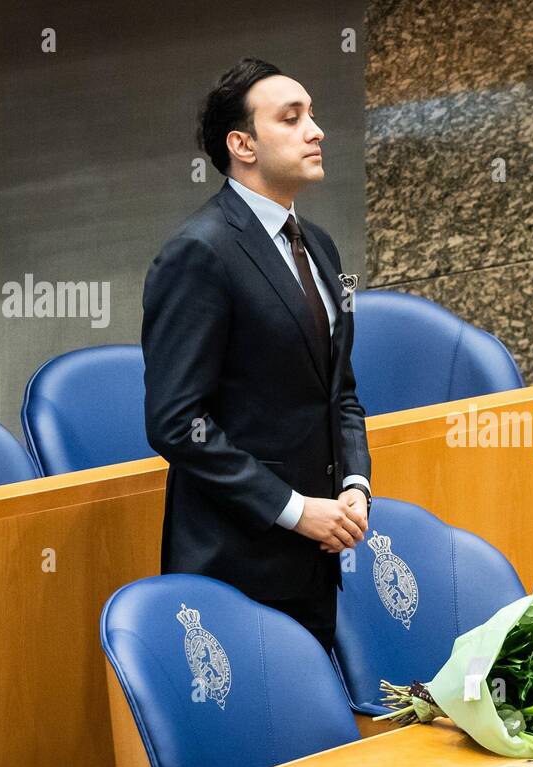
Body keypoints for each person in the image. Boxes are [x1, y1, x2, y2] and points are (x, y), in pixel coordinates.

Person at [141, 57, 371, 651]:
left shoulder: (316, 244)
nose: (315, 130)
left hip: (317, 555)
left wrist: (354, 484)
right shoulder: (199, 252)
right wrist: (294, 509)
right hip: (236, 561)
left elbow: (337, 388)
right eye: (292, 119)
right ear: (241, 143)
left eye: (313, 116)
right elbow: (175, 422)